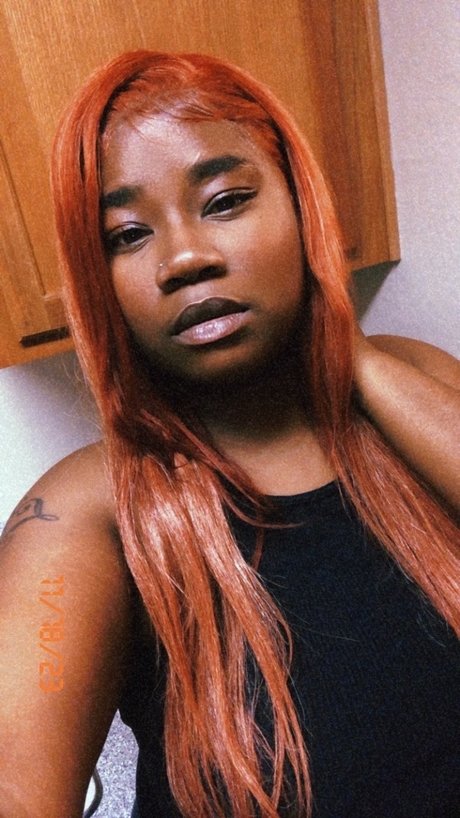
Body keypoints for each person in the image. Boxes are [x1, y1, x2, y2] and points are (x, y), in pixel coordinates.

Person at [0, 50, 458, 818]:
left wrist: (352, 357)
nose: (184, 258)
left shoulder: (412, 381)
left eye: (225, 201)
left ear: (302, 208)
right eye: (126, 235)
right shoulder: (88, 513)